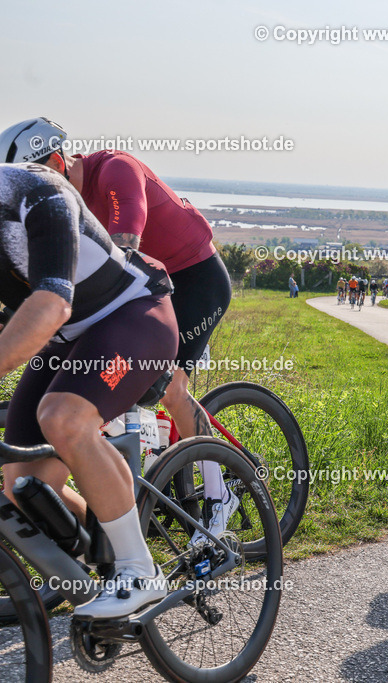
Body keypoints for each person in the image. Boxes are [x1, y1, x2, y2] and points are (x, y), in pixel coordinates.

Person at [0, 118, 238, 547]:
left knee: (171, 388)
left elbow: (126, 241)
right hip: (137, 290)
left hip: (193, 279)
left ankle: (220, 493)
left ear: (58, 161)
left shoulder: (115, 169)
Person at [0, 162, 177, 619]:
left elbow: (53, 303)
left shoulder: (34, 190)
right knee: (25, 484)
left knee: (63, 417)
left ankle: (139, 570)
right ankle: (107, 540)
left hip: (133, 314)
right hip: (69, 338)